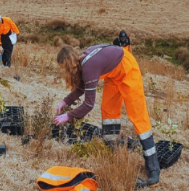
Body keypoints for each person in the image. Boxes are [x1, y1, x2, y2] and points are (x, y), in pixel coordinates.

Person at [53, 44, 160, 188]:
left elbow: (89, 105)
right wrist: (65, 101)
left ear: (67, 65)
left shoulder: (89, 66)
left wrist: (68, 116)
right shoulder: (81, 63)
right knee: (108, 111)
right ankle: (113, 150)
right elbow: (82, 87)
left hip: (127, 67)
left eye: (62, 68)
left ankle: (153, 166)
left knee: (137, 114)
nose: (62, 72)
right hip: (113, 74)